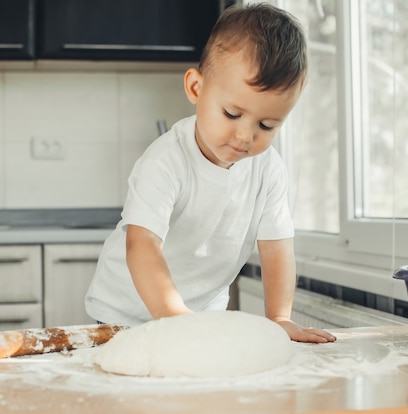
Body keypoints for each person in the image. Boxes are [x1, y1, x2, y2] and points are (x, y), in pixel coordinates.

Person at [85, 3, 336, 344]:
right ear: (195, 88)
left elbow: (276, 247)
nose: (245, 136)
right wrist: (176, 319)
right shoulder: (165, 160)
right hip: (123, 315)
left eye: (267, 125)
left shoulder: (269, 169)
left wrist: (279, 317)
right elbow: (141, 245)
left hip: (201, 316)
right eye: (232, 114)